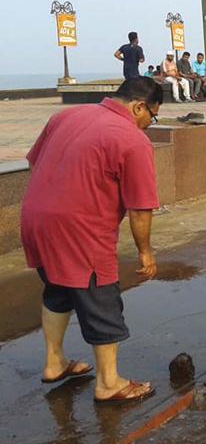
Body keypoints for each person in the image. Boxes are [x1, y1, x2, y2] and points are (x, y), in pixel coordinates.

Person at [21, 77, 161, 404]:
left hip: (34, 219)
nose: (148, 124)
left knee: (58, 288)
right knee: (101, 299)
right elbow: (140, 209)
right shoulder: (132, 140)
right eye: (151, 117)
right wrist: (146, 253)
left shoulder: (66, 116)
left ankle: (54, 362)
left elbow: (34, 160)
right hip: (81, 229)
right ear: (139, 106)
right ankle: (109, 383)